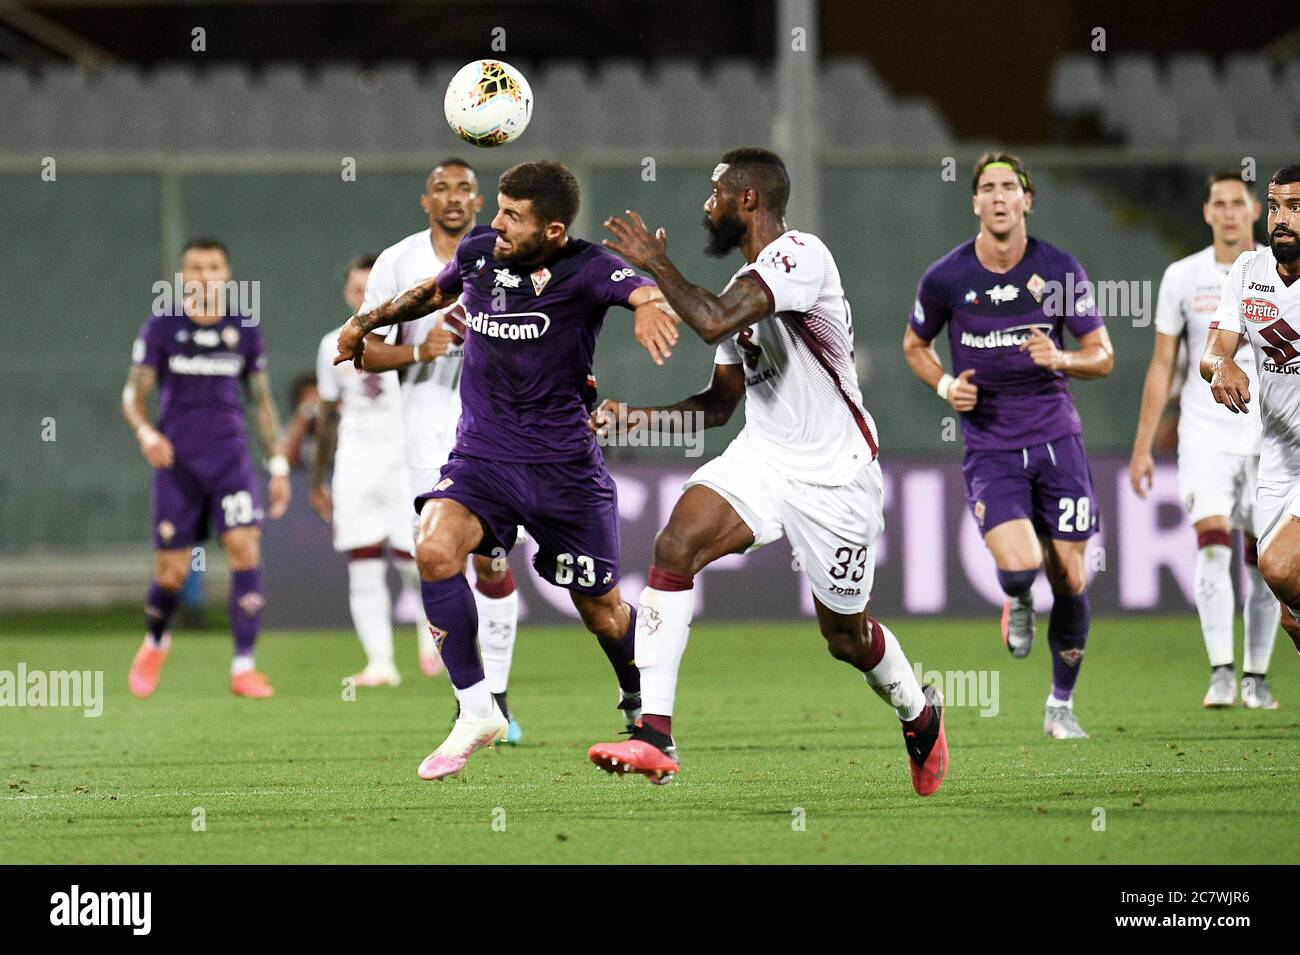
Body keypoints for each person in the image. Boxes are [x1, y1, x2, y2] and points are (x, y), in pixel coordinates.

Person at [585, 148, 948, 795]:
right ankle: (655, 734)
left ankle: (919, 714)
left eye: (716, 192)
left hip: (836, 475)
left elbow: (709, 320)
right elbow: (720, 407)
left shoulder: (800, 257)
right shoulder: (739, 291)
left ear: (748, 200)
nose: (707, 204)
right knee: (675, 545)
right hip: (766, 456)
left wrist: (655, 264)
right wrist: (639, 418)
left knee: (845, 635)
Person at [333, 160, 676, 779]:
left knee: (601, 610)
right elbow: (432, 293)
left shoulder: (589, 266)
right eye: (498, 208)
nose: (496, 223)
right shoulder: (480, 253)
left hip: (562, 469)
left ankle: (641, 706)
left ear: (552, 230)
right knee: (433, 549)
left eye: (513, 216)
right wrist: (365, 322)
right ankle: (476, 708)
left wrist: (651, 305)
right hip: (482, 457)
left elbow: (640, 288)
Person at [902, 152, 1115, 739]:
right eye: (988, 188)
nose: (998, 197)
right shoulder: (946, 277)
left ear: (1027, 200)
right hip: (991, 446)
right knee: (1021, 564)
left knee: (1072, 579)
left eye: (1009, 187)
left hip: (1057, 441)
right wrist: (946, 385)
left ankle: (1060, 706)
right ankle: (1018, 597)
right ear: (974, 202)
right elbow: (915, 345)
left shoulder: (1059, 269)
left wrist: (1064, 357)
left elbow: (1104, 354)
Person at [1130, 172, 1279, 708]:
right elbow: (1164, 364)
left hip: (1271, 438)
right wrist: (1143, 445)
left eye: (1237, 203)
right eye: (1219, 203)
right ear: (1207, 212)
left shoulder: (1277, 272)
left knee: (1264, 561)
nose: (1229, 212)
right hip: (1204, 436)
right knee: (1213, 545)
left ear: (1255, 210)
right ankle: (1221, 671)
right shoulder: (1182, 277)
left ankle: (1256, 676)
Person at [123, 238, 290, 699]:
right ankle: (156, 639)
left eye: (213, 267)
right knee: (171, 575)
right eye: (194, 268)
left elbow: (261, 402)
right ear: (182, 277)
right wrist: (146, 433)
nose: (203, 275)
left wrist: (276, 464)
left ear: (227, 275)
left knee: (243, 546)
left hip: (230, 462)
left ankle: (243, 667)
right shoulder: (161, 327)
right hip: (178, 464)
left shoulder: (244, 329)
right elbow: (132, 396)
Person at [313, 254, 437, 686]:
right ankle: (380, 663)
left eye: (372, 290)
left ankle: (430, 634)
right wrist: (317, 478)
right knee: (363, 562)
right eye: (355, 289)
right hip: (355, 466)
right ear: (346, 293)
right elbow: (326, 415)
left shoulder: (411, 339)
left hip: (406, 462)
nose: (362, 297)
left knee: (413, 558)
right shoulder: (332, 344)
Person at [1202, 163, 1300, 662]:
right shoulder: (1248, 271)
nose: (1282, 218)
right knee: (1288, 609)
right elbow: (1213, 351)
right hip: (1279, 454)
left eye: (1297, 208)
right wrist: (1224, 367)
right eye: (1277, 206)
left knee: (1280, 567)